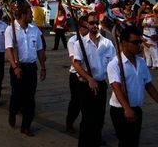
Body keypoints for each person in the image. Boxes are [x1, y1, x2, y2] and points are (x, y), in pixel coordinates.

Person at [107, 26, 158, 147]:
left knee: (134, 141)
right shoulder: (115, 64)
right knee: (126, 142)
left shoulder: (141, 62)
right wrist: (126, 108)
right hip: (121, 110)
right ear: (124, 43)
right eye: (135, 42)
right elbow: (116, 87)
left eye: (140, 42)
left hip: (136, 108)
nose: (138, 45)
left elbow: (148, 84)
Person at [73, 12, 116, 147]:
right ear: (87, 24)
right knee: (87, 119)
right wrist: (89, 78)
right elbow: (77, 65)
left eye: (97, 22)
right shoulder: (80, 43)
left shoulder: (108, 44)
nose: (94, 25)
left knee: (99, 119)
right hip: (85, 85)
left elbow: (114, 65)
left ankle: (95, 142)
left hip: (101, 85)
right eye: (92, 23)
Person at [5, 5, 46, 137]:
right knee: (17, 96)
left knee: (30, 98)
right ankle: (12, 112)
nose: (32, 17)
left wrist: (43, 67)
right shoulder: (11, 29)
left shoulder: (35, 30)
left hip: (31, 67)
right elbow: (9, 50)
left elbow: (40, 49)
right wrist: (15, 67)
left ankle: (26, 126)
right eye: (29, 14)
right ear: (23, 15)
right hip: (18, 66)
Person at [66, 16, 89, 133]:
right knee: (76, 101)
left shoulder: (97, 39)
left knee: (91, 106)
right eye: (87, 26)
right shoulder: (73, 41)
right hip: (77, 75)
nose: (90, 28)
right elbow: (73, 60)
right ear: (80, 28)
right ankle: (69, 122)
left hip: (91, 76)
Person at [142, 4, 158, 69]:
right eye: (146, 8)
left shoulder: (153, 16)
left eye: (148, 8)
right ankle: (148, 63)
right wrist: (143, 24)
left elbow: (157, 25)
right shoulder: (145, 16)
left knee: (153, 48)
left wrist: (150, 25)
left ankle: (156, 63)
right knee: (146, 49)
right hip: (145, 33)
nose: (146, 9)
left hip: (151, 34)